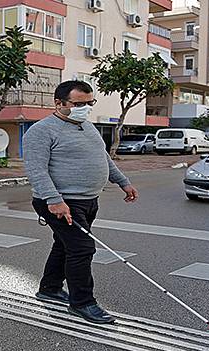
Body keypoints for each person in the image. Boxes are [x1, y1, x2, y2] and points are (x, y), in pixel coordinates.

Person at [23, 80, 138, 324]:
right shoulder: (41, 131)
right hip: (61, 201)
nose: (85, 108)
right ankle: (82, 303)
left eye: (89, 103)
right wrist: (54, 200)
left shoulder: (88, 126)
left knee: (64, 245)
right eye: (78, 104)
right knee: (82, 248)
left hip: (88, 200)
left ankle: (50, 288)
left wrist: (123, 182)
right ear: (59, 103)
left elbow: (104, 158)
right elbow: (36, 170)